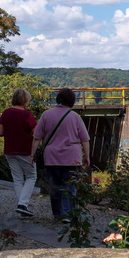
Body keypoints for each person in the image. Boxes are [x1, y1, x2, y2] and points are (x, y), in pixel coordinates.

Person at [31, 88, 90, 220]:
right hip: (72, 158)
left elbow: (37, 138)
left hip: (51, 158)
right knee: (70, 186)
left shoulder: (46, 115)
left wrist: (32, 155)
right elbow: (84, 139)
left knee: (55, 187)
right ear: (72, 101)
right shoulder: (76, 117)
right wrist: (87, 156)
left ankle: (57, 214)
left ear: (58, 99)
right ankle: (68, 214)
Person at [0, 88, 38, 217]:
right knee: (31, 176)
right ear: (25, 101)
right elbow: (36, 133)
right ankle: (22, 204)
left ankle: (22, 206)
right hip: (25, 150)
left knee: (17, 178)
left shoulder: (6, 113)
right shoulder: (27, 115)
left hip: (9, 150)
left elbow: (0, 133)